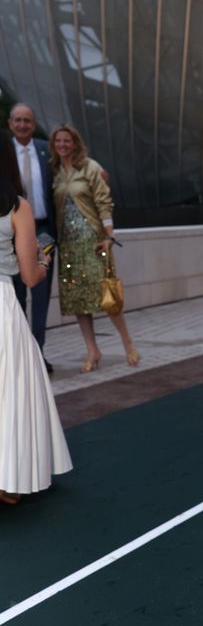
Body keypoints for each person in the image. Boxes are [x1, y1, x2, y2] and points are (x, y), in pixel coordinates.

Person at [0, 131, 72, 505]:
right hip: (3, 306)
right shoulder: (18, 207)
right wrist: (45, 259)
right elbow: (29, 277)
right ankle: (9, 483)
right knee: (11, 393)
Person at [49, 123, 139, 371]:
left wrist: (109, 235)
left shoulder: (91, 167)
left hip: (94, 242)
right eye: (58, 142)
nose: (63, 145)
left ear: (75, 143)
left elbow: (103, 202)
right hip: (68, 246)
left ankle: (128, 343)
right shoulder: (54, 170)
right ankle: (92, 350)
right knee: (78, 301)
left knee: (107, 297)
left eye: (67, 141)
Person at [8, 103, 56, 372]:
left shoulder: (44, 150)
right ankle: (20, 354)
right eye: (18, 120)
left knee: (41, 295)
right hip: (13, 232)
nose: (23, 125)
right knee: (15, 296)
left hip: (44, 230)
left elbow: (71, 166)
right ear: (10, 124)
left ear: (34, 124)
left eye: (27, 120)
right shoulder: (5, 154)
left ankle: (38, 353)